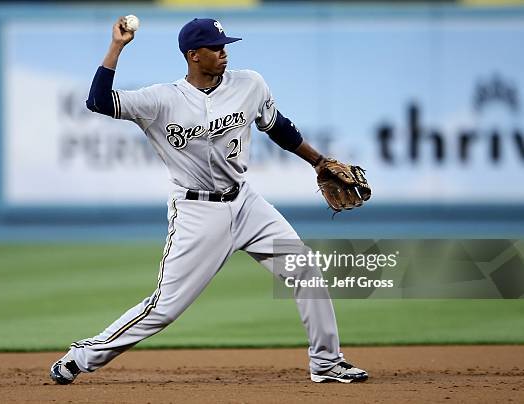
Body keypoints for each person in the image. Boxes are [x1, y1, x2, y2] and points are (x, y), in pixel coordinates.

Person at [50, 16, 368, 385]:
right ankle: (81, 357)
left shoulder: (249, 84)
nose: (223, 53)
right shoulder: (161, 99)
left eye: (225, 46)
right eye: (215, 48)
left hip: (247, 203)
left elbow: (277, 125)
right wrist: (117, 47)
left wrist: (317, 161)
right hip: (197, 213)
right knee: (163, 309)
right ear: (193, 55)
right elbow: (98, 101)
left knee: (305, 269)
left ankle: (327, 362)